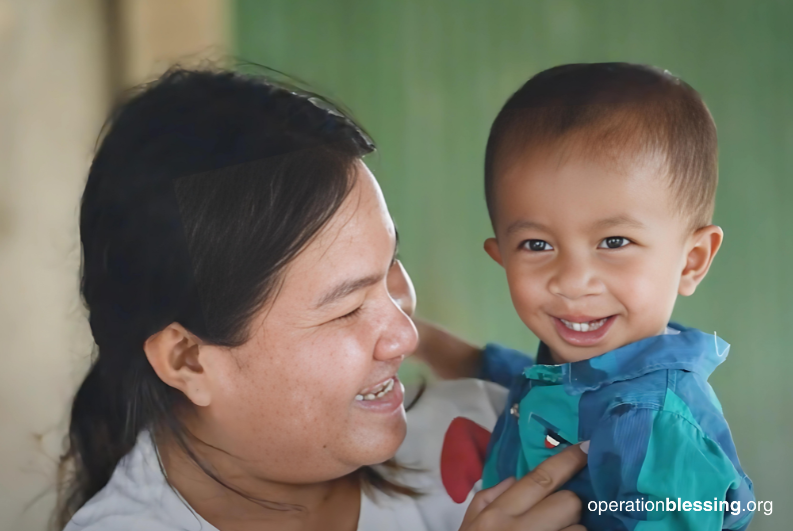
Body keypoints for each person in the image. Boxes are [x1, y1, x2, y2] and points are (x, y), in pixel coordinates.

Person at [56, 67, 588, 531]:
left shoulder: (497, 435)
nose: (407, 335)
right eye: (347, 307)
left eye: (391, 268)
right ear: (188, 358)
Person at [479, 63, 755, 530]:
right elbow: (533, 381)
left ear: (691, 260)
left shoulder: (651, 421)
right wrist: (423, 339)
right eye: (537, 245)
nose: (572, 280)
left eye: (614, 242)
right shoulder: (596, 369)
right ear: (502, 256)